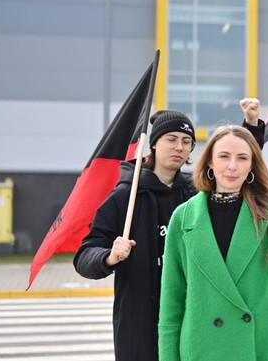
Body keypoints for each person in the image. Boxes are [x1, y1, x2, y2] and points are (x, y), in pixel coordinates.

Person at [158, 125, 268, 360]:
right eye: (224, 156)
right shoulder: (184, 217)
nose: (232, 166)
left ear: (252, 165)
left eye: (242, 158)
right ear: (210, 162)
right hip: (206, 348)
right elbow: (171, 306)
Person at [73, 109, 197, 361]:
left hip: (188, 317)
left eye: (186, 141)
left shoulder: (195, 195)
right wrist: (109, 256)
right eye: (171, 139)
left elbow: (238, 180)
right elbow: (85, 256)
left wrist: (251, 127)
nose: (179, 147)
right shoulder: (125, 196)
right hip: (139, 323)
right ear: (154, 143)